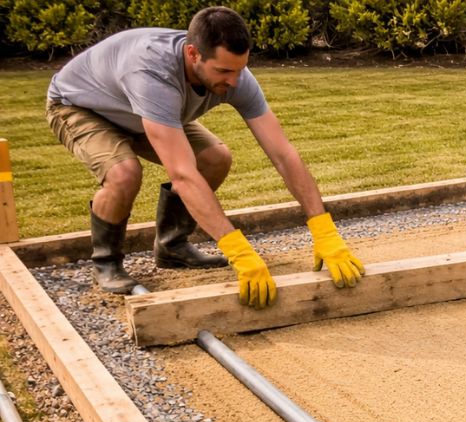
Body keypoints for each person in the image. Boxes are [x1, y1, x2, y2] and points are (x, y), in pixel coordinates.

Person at [46, 6, 363, 307]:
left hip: (148, 112)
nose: (233, 82)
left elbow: (283, 153)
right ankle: (106, 262)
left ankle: (172, 247)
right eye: (224, 71)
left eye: (240, 70)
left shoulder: (236, 76)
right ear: (192, 53)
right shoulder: (152, 71)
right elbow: (182, 175)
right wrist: (237, 250)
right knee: (124, 173)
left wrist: (324, 229)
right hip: (81, 107)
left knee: (215, 158)